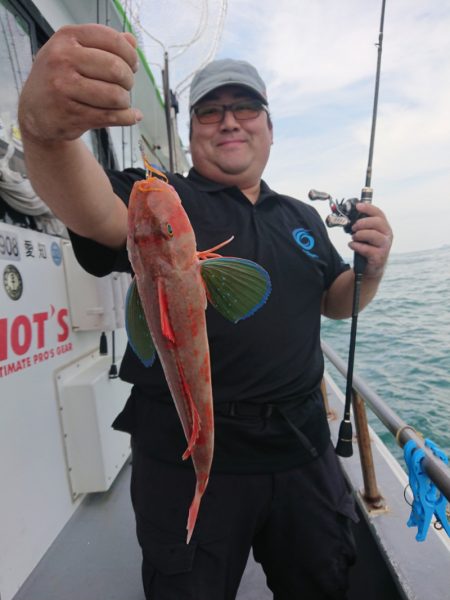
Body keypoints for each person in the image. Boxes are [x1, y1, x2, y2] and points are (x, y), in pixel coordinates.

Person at [18, 23, 393, 600]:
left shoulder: (302, 218)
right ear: (191, 134)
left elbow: (336, 302)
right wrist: (45, 137)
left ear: (270, 128)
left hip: (301, 448)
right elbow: (96, 212)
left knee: (323, 580)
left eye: (246, 108)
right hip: (179, 448)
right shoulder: (162, 197)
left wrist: (372, 265)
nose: (229, 120)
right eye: (209, 111)